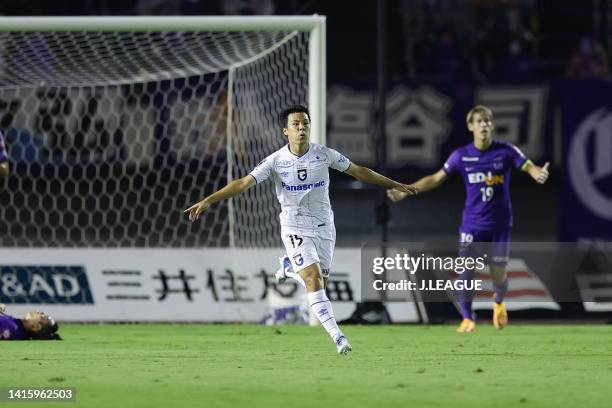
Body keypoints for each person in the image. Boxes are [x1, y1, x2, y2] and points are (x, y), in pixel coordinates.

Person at [185, 105, 417, 354]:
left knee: (318, 285)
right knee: (313, 279)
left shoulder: (324, 154)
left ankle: (288, 268)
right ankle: (338, 337)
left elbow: (359, 171)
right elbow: (243, 183)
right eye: (295, 124)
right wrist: (209, 200)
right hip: (294, 225)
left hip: (325, 226)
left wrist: (395, 184)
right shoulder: (275, 161)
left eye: (305, 123)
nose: (301, 128)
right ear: (286, 131)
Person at [387, 105, 549, 333]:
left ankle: (499, 302)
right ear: (471, 126)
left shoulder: (505, 151)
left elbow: (529, 166)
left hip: (499, 226)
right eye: (479, 121)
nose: (484, 125)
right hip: (472, 225)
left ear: (491, 125)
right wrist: (406, 189)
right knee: (466, 271)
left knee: (498, 274)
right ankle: (467, 318)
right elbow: (435, 178)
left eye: (487, 121)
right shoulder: (461, 156)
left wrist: (537, 173)